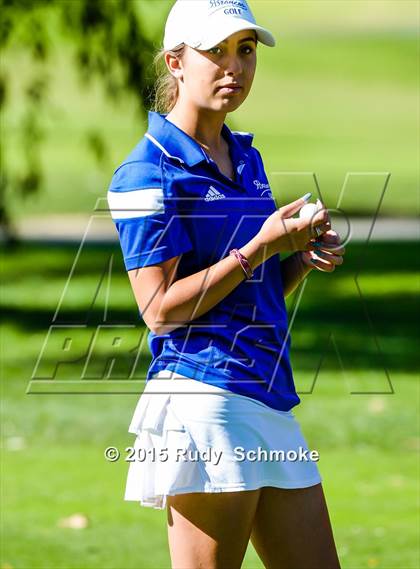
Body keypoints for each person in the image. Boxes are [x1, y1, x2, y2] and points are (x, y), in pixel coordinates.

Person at [107, 1, 345, 567]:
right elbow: (160, 310)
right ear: (175, 62)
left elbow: (245, 285)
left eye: (245, 50)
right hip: (203, 399)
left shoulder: (246, 156)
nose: (233, 67)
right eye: (214, 52)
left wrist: (297, 256)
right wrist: (260, 246)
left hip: (267, 394)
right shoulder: (145, 173)